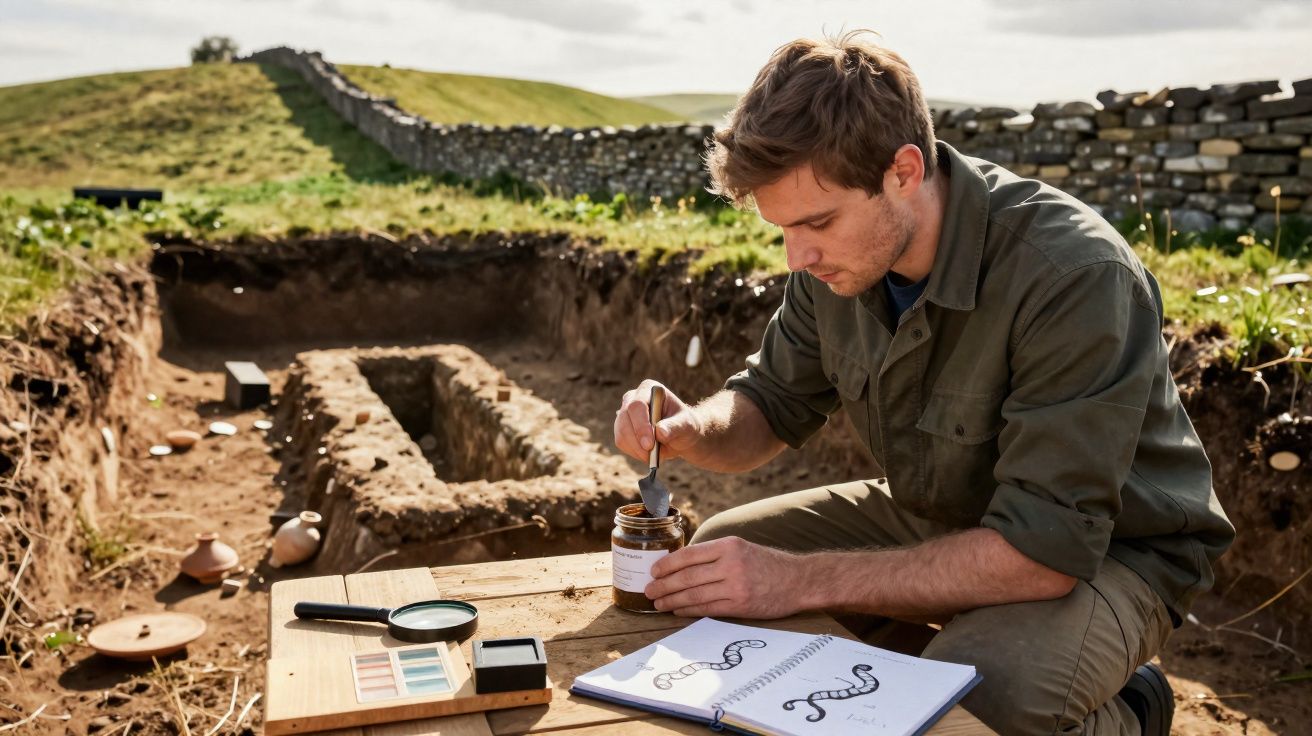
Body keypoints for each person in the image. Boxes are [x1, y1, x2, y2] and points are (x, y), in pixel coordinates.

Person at [612, 32, 1234, 735]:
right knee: (712, 575)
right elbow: (767, 404)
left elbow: (1043, 551)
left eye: (816, 222)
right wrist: (691, 426)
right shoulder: (835, 264)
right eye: (781, 228)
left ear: (903, 171)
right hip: (949, 509)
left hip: (1107, 552)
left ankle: (1130, 710)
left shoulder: (1071, 275)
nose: (798, 256)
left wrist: (798, 581)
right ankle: (930, 667)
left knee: (963, 709)